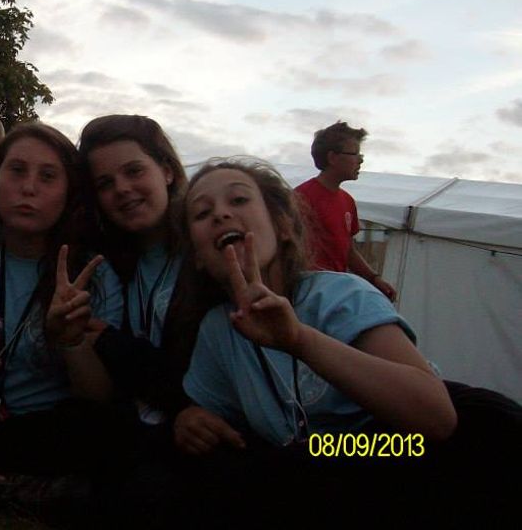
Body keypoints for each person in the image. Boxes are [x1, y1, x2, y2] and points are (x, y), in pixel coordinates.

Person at [157, 157, 459, 523]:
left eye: (238, 200)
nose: (220, 214)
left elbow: (436, 418)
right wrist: (190, 418)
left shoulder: (342, 296)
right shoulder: (218, 330)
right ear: (198, 257)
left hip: (397, 464)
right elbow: (214, 414)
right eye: (202, 213)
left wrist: (299, 340)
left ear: (283, 227)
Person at [0, 122, 125, 506]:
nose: (29, 187)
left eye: (48, 176)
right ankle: (9, 486)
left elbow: (99, 397)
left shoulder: (94, 273)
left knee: (99, 430)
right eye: (16, 171)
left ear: (69, 191)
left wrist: (71, 341)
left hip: (49, 430)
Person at [78, 115, 192, 425]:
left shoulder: (205, 255)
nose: (122, 189)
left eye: (133, 171)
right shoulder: (104, 269)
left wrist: (115, 346)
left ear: (166, 170)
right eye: (105, 183)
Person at [295, 121, 397, 300]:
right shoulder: (301, 198)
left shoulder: (347, 201)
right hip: (308, 293)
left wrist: (374, 279)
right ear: (332, 158)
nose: (361, 160)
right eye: (355, 153)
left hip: (334, 291)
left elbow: (348, 250)